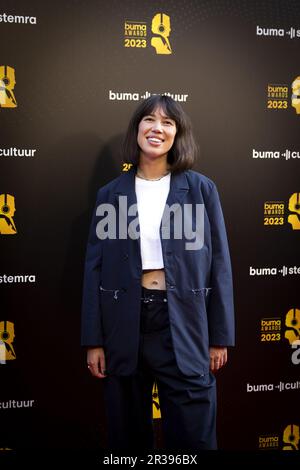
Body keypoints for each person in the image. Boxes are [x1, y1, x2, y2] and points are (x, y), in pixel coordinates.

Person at [81, 95, 235, 451]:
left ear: (177, 134)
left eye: (168, 122)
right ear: (137, 128)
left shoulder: (200, 190)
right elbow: (95, 268)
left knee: (193, 435)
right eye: (149, 119)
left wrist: (219, 336)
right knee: (128, 435)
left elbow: (220, 265)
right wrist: (93, 341)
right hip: (124, 322)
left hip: (183, 321)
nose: (157, 128)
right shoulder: (110, 195)